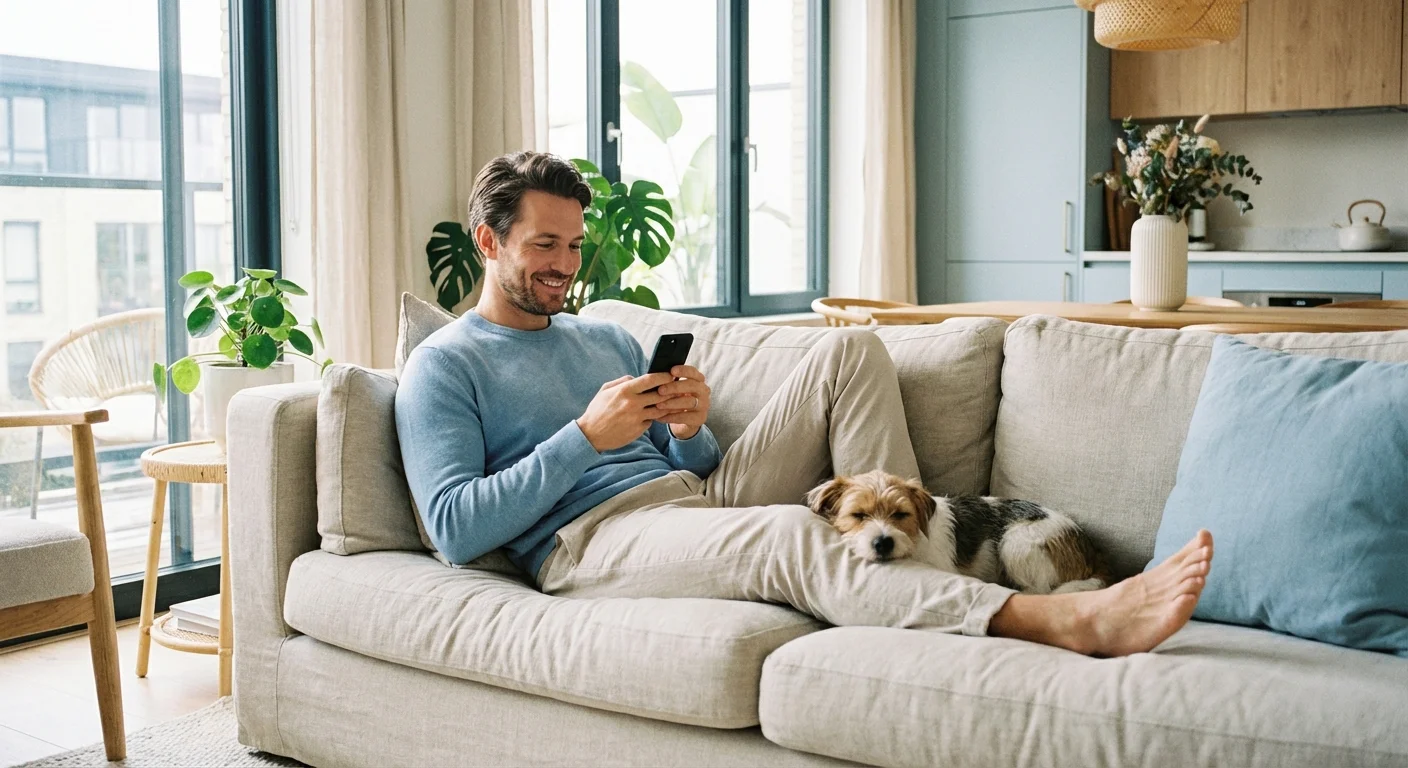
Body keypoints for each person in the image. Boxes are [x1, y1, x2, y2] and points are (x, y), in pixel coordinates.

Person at [395, 151, 1214, 657]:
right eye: (545, 244)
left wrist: (685, 428)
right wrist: (583, 437)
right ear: (489, 241)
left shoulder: (601, 336)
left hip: (692, 499)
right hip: (592, 543)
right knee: (794, 528)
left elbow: (696, 462)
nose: (565, 265)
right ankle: (1058, 622)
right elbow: (457, 529)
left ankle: (917, 559)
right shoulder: (445, 367)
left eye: (574, 244)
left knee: (850, 350)